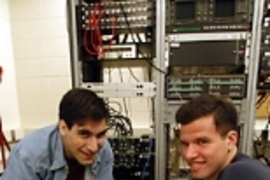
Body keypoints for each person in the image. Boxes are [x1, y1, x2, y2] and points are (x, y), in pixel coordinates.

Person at [1, 88, 114, 180]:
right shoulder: (28, 156)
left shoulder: (104, 149)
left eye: (100, 135)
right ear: (63, 128)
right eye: (84, 134)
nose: (93, 147)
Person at [175, 94, 270, 180]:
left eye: (202, 142)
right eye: (185, 144)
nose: (189, 154)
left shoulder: (239, 173)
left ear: (231, 140)